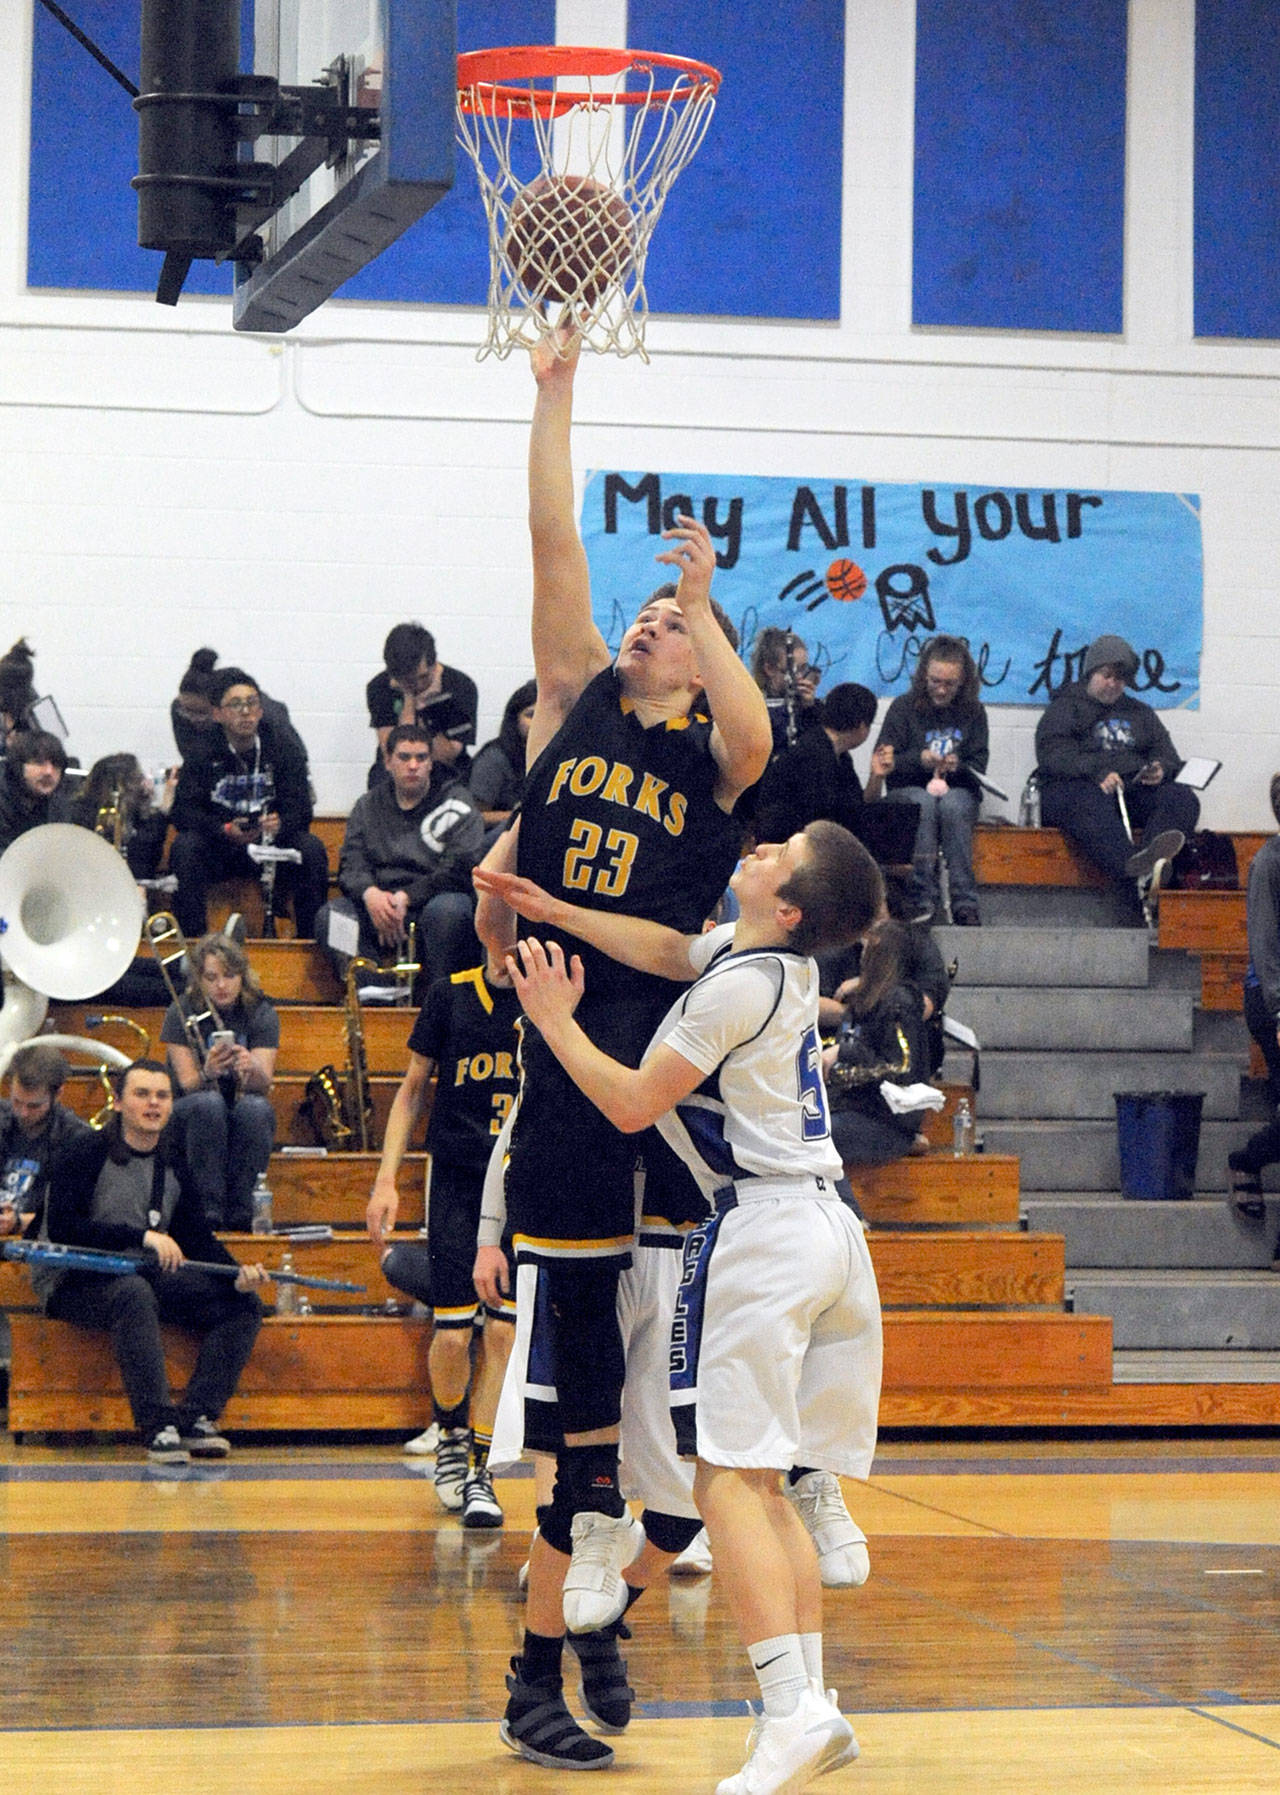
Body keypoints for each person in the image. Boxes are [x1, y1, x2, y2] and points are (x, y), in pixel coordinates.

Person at [486, 324, 771, 1769]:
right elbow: (553, 543)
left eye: (669, 626)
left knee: (668, 1458)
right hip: (563, 1078)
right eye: (649, 615)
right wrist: (558, 393)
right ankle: (541, 1664)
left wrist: (709, 598)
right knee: (578, 1411)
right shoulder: (577, 697)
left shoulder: (710, 766)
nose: (648, 625)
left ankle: (593, 1610)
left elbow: (758, 727)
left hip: (659, 1090)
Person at [506, 819, 883, 1792]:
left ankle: (786, 1711)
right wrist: (556, 910)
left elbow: (631, 1102)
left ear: (788, 905)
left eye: (776, 854)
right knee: (770, 1485)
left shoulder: (732, 990)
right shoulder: (779, 966)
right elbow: (672, 947)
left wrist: (552, 1018)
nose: (755, 851)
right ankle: (814, 1699)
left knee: (722, 1485)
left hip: (762, 1230)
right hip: (833, 1227)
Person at [40, 1059, 267, 1464]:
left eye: (162, 1095)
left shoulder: (174, 1158)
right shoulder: (84, 1152)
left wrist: (237, 1275)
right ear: (120, 1102)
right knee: (133, 1291)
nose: (153, 1104)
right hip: (75, 1279)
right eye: (142, 1094)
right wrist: (141, 1237)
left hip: (142, 1274)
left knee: (242, 1305)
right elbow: (63, 1229)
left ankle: (197, 1416)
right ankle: (157, 1424)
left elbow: (195, 1235)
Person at [366, 946, 521, 1525]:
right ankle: (452, 1433)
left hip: (520, 1178)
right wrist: (387, 1180)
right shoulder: (450, 993)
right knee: (454, 1336)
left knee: (503, 1336)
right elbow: (411, 1090)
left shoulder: (548, 990)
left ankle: (481, 1473)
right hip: (457, 1176)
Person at [1035, 634, 1199, 924]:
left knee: (1182, 797)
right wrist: (1096, 772)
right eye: (1106, 676)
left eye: (1120, 679)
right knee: (1085, 800)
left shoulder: (1140, 713)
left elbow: (1167, 753)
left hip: (1132, 787)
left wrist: (1161, 769)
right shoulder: (1065, 707)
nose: (1112, 684)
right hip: (1082, 789)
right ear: (1091, 673)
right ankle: (1131, 870)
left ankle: (1150, 862)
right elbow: (1053, 755)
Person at [318, 722, 486, 994]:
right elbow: (352, 863)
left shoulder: (456, 802)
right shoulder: (367, 805)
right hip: (378, 906)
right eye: (404, 757)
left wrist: (406, 897)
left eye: (421, 758)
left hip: (431, 904)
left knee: (451, 910)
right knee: (334, 915)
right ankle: (371, 993)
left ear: (431, 763)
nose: (413, 765)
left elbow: (461, 868)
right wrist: (371, 895)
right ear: (387, 762)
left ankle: (438, 997)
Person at [168, 667, 330, 939]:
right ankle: (192, 943)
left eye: (252, 703)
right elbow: (183, 812)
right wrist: (222, 828)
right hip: (222, 846)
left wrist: (281, 823)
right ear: (217, 714)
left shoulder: (283, 746)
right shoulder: (201, 751)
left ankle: (310, 943)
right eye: (235, 704)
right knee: (185, 848)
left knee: (311, 850)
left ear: (261, 710)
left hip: (270, 844)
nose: (245, 712)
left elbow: (302, 807)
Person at [159, 931, 278, 1230]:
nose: (221, 985)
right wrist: (207, 1072)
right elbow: (186, 1083)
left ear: (242, 975)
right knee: (208, 1104)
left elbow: (264, 1084)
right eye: (211, 978)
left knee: (257, 1110)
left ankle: (242, 1213)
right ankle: (207, 1212)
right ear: (200, 979)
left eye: (228, 975)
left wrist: (250, 1068)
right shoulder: (181, 1010)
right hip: (190, 1110)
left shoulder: (261, 1012)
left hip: (237, 1105)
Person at [876, 635, 990, 925]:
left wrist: (958, 765)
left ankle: (965, 901)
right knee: (922, 804)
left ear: (963, 682)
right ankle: (922, 898)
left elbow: (979, 765)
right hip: (909, 789)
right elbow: (886, 761)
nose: (940, 690)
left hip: (957, 789)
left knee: (952, 806)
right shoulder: (903, 708)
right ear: (923, 676)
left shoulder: (974, 712)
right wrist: (920, 759)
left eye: (949, 684)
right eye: (934, 681)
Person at [754, 681, 917, 868]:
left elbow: (858, 804)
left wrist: (876, 776)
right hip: (790, 843)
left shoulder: (840, 757)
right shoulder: (811, 754)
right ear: (862, 726)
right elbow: (823, 816)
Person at [821, 918, 933, 1168]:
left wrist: (843, 1055)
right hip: (854, 1108)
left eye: (868, 949)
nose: (862, 955)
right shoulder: (866, 1002)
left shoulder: (898, 1003)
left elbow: (900, 1067)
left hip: (886, 1121)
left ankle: (843, 1206)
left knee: (813, 1138)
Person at [1227, 773, 1280, 1254]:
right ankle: (1247, 1158)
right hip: (1271, 1000)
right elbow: (1265, 948)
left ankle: (1250, 1157)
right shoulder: (1269, 863)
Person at [365, 623, 479, 788]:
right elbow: (393, 751)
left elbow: (447, 755)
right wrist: (410, 699)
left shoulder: (460, 686)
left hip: (445, 769)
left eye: (423, 677)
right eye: (408, 681)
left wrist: (427, 707)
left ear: (434, 665)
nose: (417, 685)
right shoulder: (380, 687)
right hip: (394, 771)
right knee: (381, 778)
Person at [0, 1043, 92, 1239]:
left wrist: (17, 1222)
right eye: (16, 1101)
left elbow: (67, 1219)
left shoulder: (77, 1139)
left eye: (34, 1106)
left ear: (58, 1094)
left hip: (35, 1244)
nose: (23, 1113)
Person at [69, 752, 175, 881]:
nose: (145, 780)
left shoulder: (77, 812)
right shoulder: (135, 820)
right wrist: (163, 811)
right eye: (140, 776)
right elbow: (142, 865)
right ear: (128, 784)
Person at [469, 679, 537, 825]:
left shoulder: (558, 754)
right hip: (492, 837)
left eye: (544, 716)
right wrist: (522, 816)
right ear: (515, 719)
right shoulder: (495, 758)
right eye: (531, 715)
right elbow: (474, 817)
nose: (538, 722)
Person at [749, 627, 822, 758]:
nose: (801, 677)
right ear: (770, 669)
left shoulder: (812, 707)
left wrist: (810, 710)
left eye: (804, 668)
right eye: (795, 670)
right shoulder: (753, 707)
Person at [0, 728, 70, 854]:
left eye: (56, 764)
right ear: (18, 766)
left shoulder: (58, 804)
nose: (49, 772)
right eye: (39, 763)